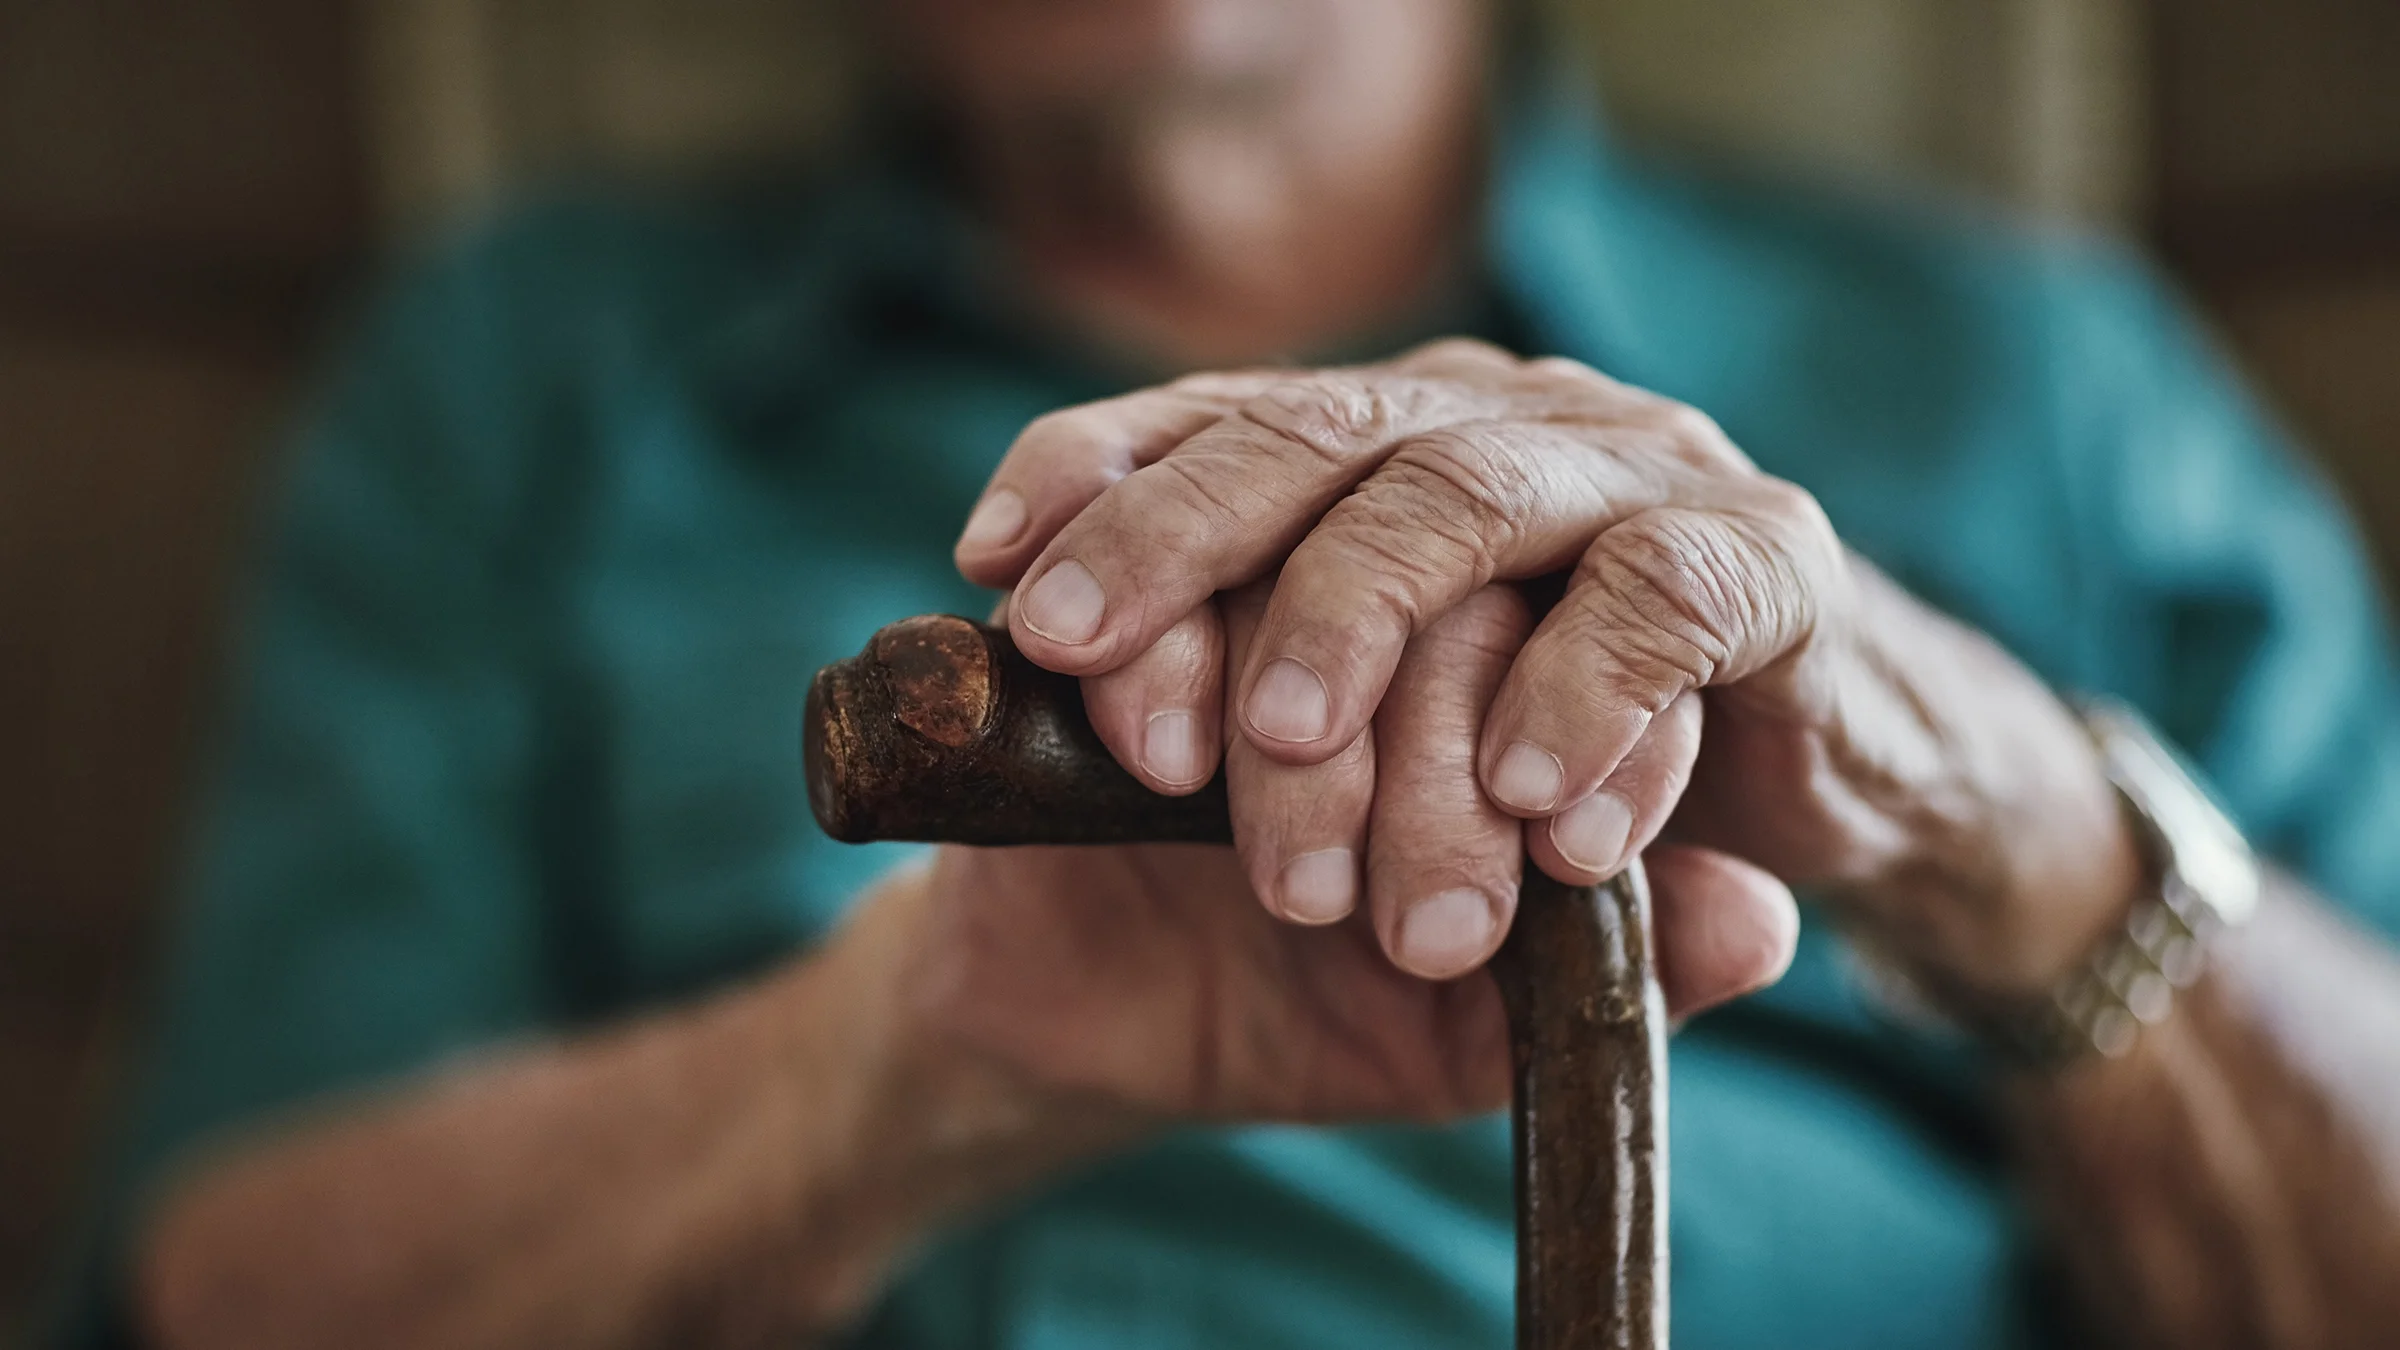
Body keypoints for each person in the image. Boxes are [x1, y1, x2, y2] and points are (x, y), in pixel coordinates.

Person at [47, 0, 2400, 1347]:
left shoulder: (2036, 383)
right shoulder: (518, 374)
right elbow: (227, 1290)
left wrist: (1994, 817)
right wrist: (899, 1063)